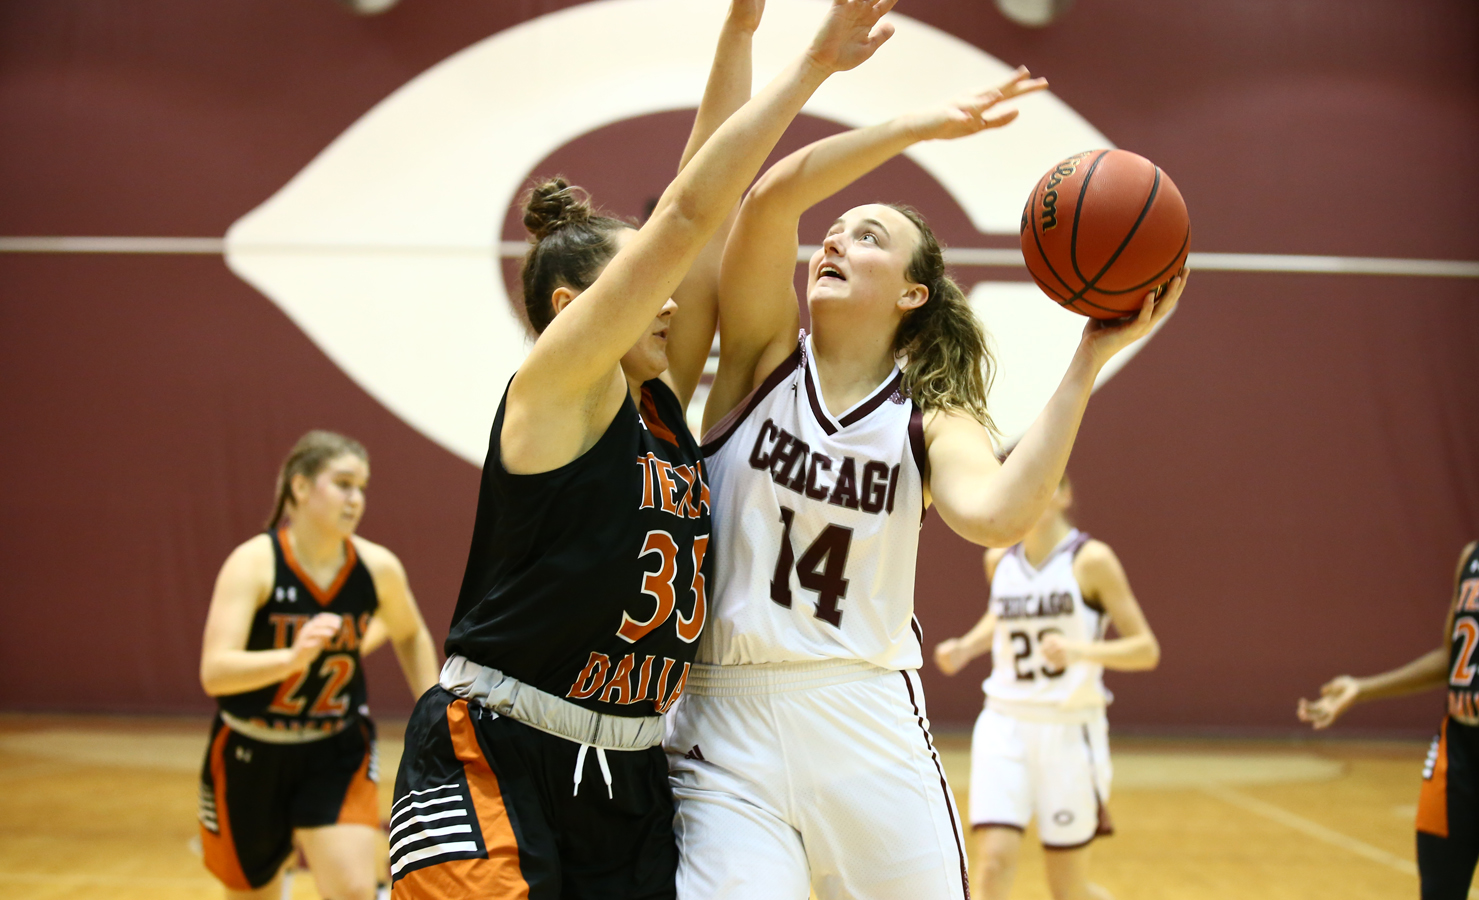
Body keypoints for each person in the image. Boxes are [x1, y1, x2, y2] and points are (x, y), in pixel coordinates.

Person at [387, 3, 900, 898]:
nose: (669, 302)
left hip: (629, 770)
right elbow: (686, 215)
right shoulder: (555, 391)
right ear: (572, 309)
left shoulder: (656, 402)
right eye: (645, 286)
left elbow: (701, 202)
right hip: (500, 747)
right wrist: (813, 66)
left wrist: (737, 39)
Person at [665, 69, 1187, 899]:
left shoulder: (934, 418)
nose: (833, 242)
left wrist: (1086, 360)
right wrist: (914, 126)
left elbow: (996, 516)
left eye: (866, 236)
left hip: (863, 715)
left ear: (913, 292)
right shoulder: (762, 362)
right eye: (832, 233)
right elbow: (767, 202)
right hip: (721, 721)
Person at [197, 430, 440, 900]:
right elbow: (214, 671)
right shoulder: (253, 564)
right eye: (344, 484)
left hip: (336, 748)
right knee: (252, 893)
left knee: (352, 889)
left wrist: (432, 707)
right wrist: (291, 659)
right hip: (251, 748)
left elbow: (408, 631)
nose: (356, 499)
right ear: (301, 488)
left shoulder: (376, 567)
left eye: (362, 488)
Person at [933, 475, 1160, 900]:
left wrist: (1080, 650)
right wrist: (967, 646)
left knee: (1067, 890)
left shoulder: (1091, 560)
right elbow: (1001, 616)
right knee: (992, 864)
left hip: (1069, 728)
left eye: (1047, 484)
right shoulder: (998, 560)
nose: (1035, 493)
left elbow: (1146, 649)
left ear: (1066, 495)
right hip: (1004, 723)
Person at [1298, 452, 1479, 900]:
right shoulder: (1474, 558)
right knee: (1438, 887)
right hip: (1459, 746)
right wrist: (1362, 689)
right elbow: (1452, 657)